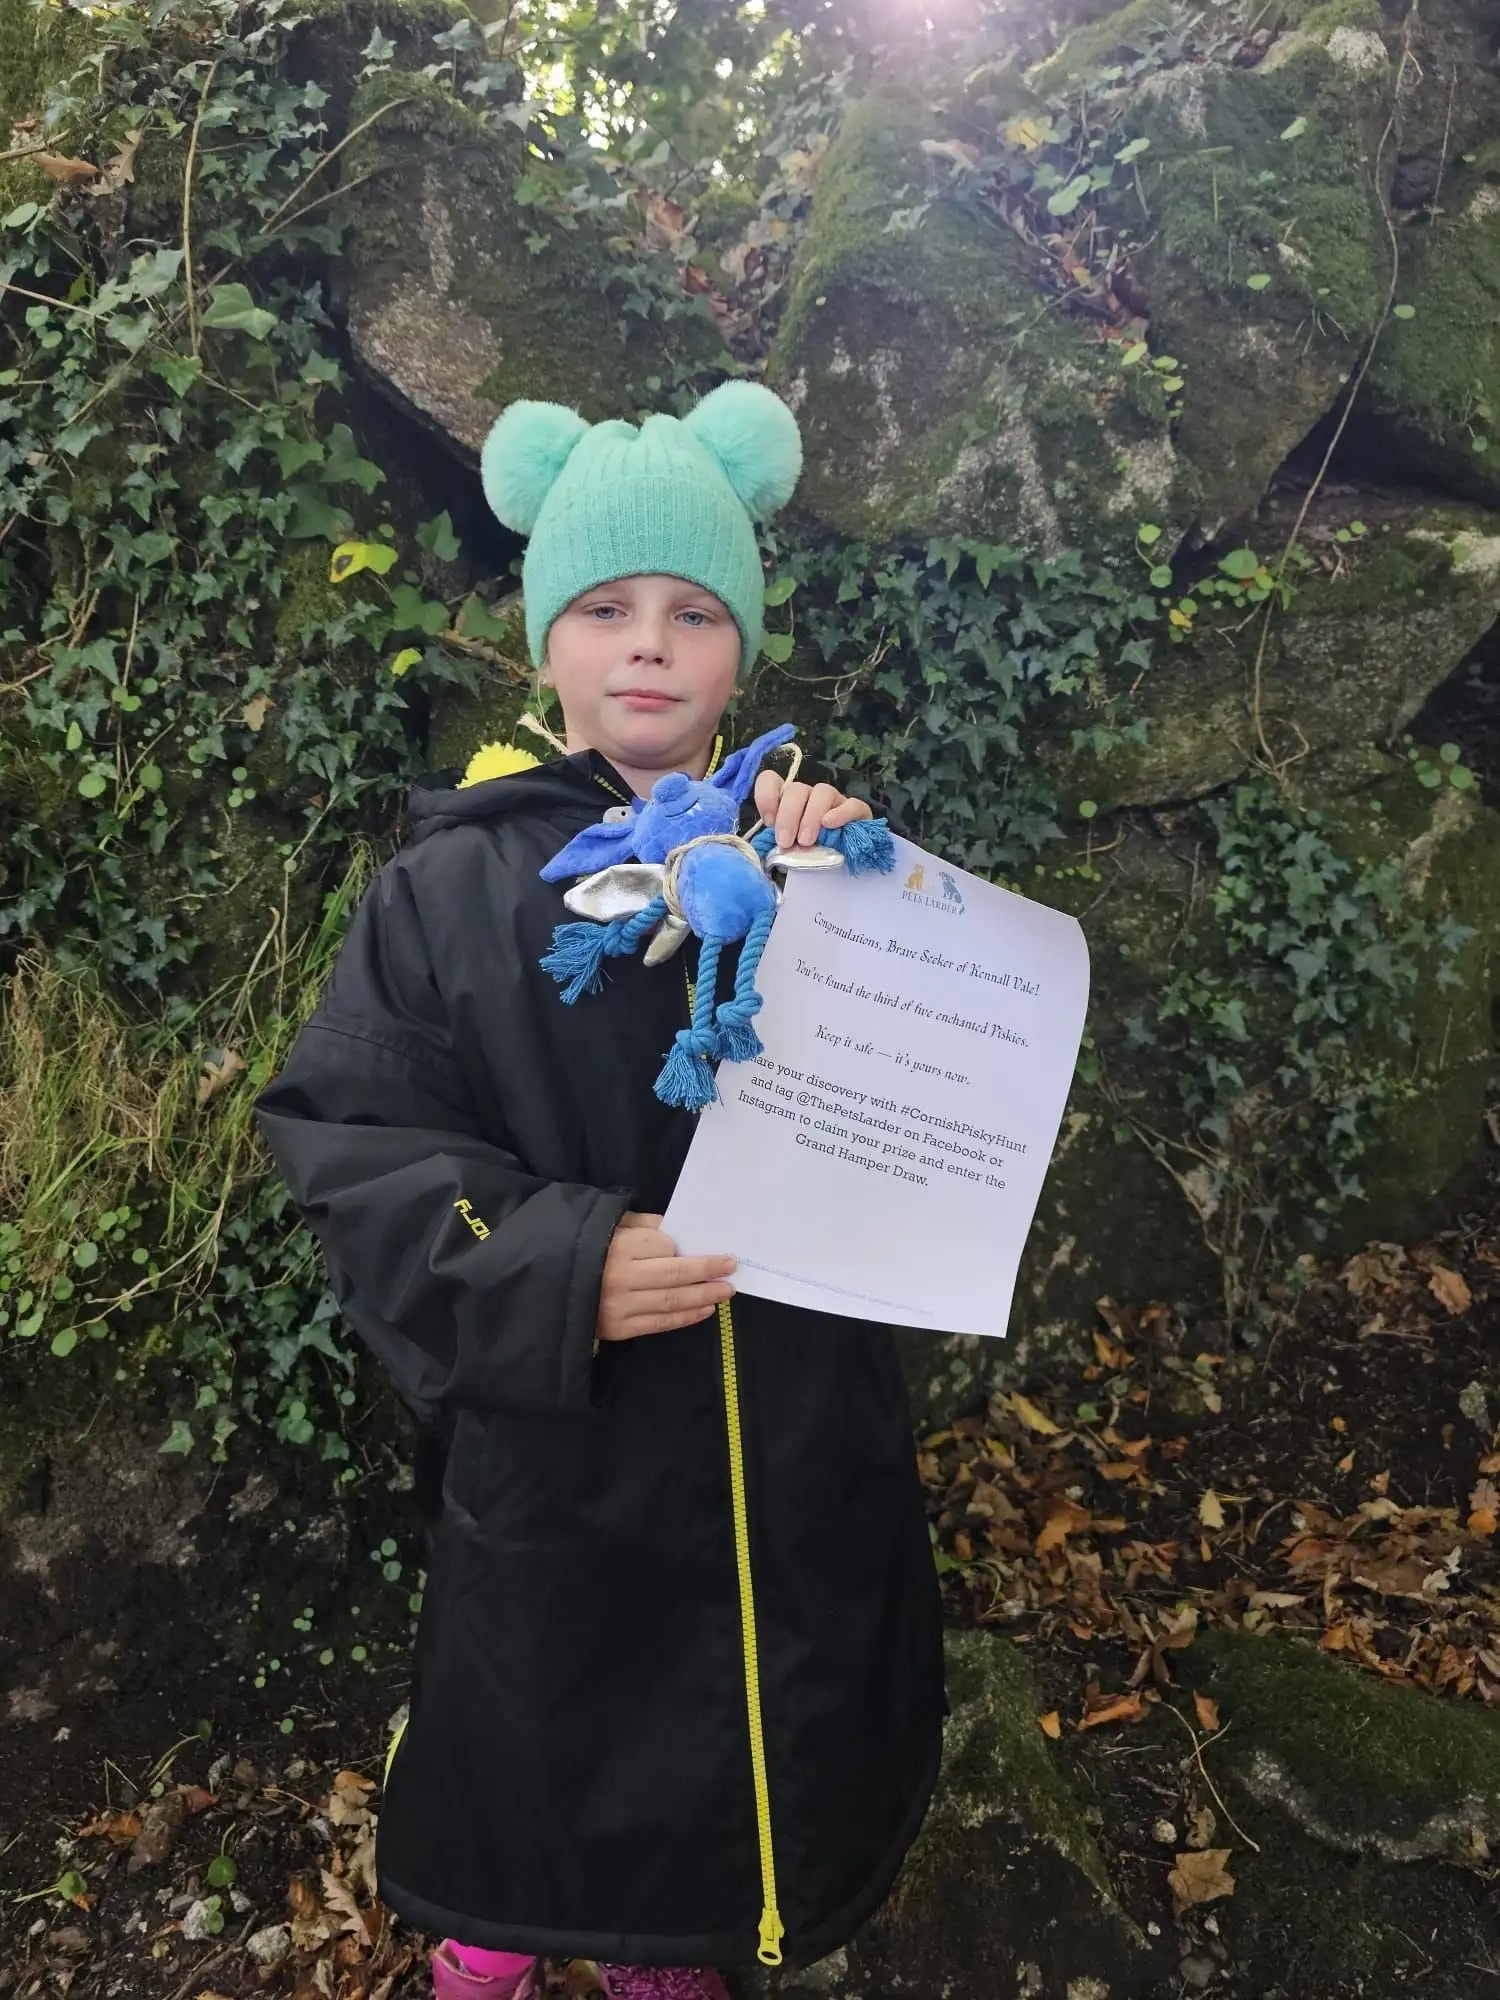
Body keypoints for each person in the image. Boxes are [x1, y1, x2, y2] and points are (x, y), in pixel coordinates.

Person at [252, 381, 947, 2000]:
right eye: (607, 607)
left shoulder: (808, 865)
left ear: (742, 655)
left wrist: (866, 890)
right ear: (543, 647)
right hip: (560, 1464)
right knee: (536, 1769)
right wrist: (553, 1256)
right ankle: (484, 1958)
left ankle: (677, 1958)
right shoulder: (444, 891)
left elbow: (916, 1090)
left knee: (724, 1778)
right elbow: (361, 1149)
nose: (650, 643)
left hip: (783, 1437)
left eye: (695, 611)